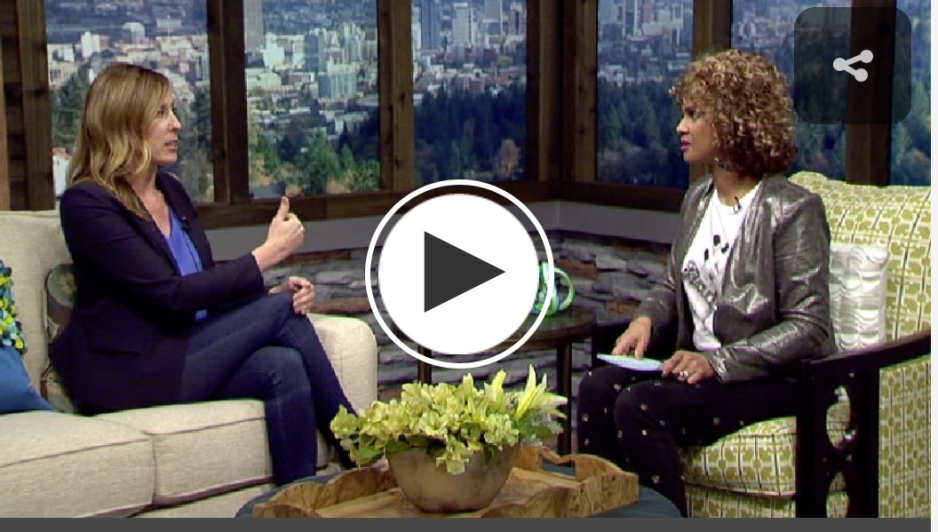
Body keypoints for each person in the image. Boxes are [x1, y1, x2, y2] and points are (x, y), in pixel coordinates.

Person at [49, 63, 357, 486]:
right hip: (130, 373)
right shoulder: (87, 203)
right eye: (161, 113)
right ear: (124, 123)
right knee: (283, 313)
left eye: (173, 111)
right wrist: (268, 254)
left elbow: (202, 282)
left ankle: (296, 503)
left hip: (185, 350)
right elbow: (171, 295)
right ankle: (363, 448)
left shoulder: (171, 191)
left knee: (282, 365)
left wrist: (265, 295)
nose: (176, 124)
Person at [576, 49, 836, 516]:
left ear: (735, 123)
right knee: (596, 388)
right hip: (700, 366)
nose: (681, 126)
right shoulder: (698, 198)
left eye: (695, 115)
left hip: (767, 376)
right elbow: (673, 285)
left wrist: (718, 362)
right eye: (684, 113)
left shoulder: (792, 210)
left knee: (639, 406)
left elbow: (810, 327)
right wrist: (645, 320)